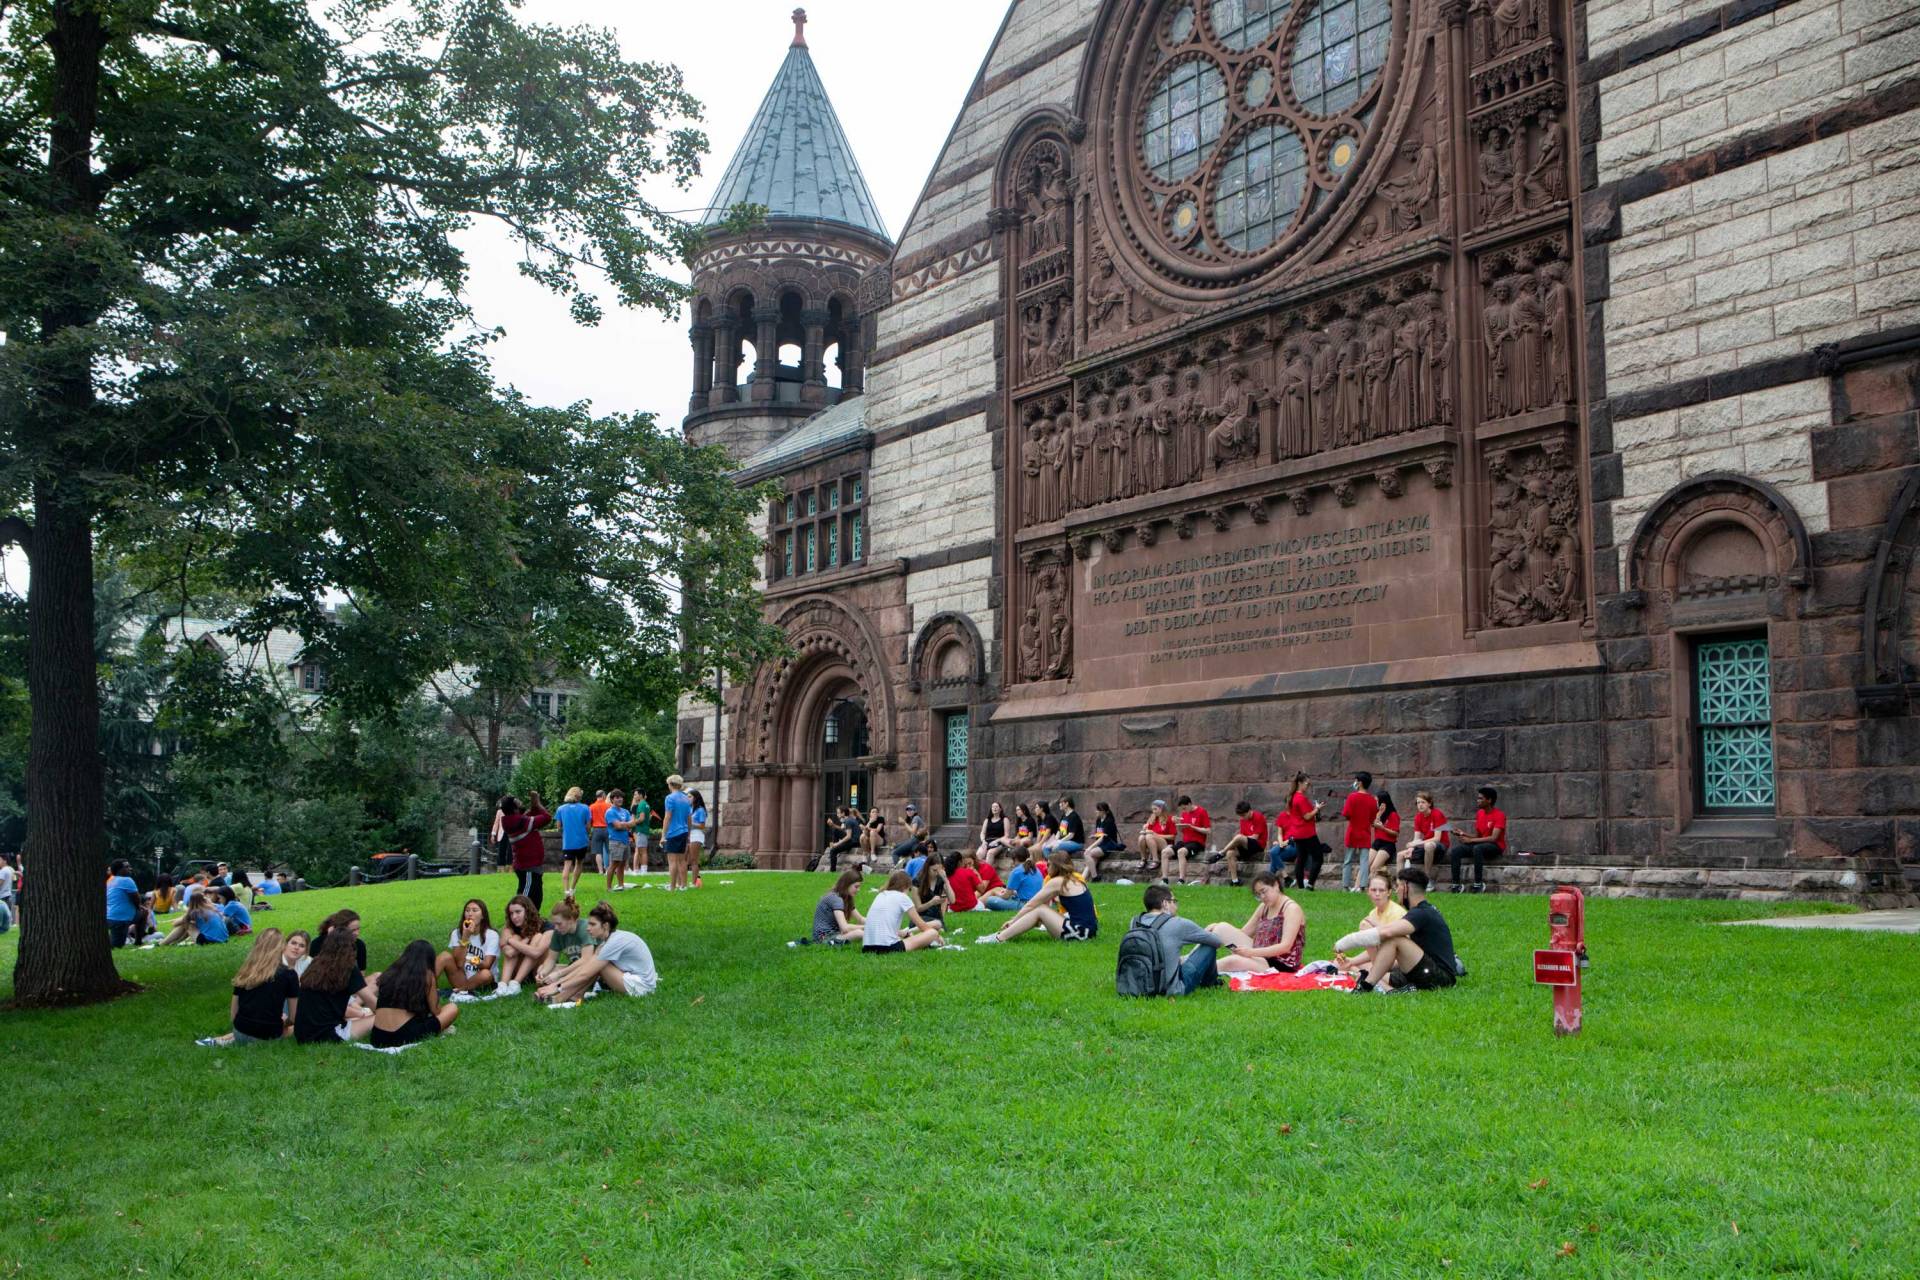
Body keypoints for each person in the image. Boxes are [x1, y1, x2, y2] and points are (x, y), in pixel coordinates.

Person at [1344, 867, 1461, 994]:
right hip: (1423, 969)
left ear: (1405, 887)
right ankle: (1390, 990)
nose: (1396, 891)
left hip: (1440, 978)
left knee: (1394, 938)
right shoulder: (1423, 910)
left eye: (1398, 886)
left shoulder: (1421, 913)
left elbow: (1389, 932)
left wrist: (1346, 942)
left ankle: (1365, 986)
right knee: (1368, 969)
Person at [536, 900, 658, 1001]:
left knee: (597, 966)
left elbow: (585, 974)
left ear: (605, 926)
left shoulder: (614, 942)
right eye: (588, 924)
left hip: (642, 987)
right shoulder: (607, 942)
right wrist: (557, 983)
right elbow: (585, 968)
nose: (588, 928)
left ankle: (563, 997)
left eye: (593, 924)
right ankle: (562, 997)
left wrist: (557, 986)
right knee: (593, 964)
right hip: (631, 979)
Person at [1125, 884, 1227, 996]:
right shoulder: (1177, 923)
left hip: (1138, 985)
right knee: (1209, 947)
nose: (1176, 906)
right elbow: (1217, 942)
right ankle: (1210, 984)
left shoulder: (1135, 922)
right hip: (1171, 989)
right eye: (1174, 901)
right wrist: (1207, 931)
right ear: (1165, 903)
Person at [976, 852, 1098, 944]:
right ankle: (1001, 935)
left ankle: (999, 938)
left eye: (1048, 864)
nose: (1046, 868)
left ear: (1056, 866)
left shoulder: (1057, 881)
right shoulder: (1074, 879)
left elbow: (1031, 904)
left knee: (1040, 909)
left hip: (1080, 932)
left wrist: (1013, 921)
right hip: (1089, 930)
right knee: (1041, 910)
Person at [1205, 872, 1306, 974]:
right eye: (1258, 894)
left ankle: (1200, 969)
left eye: (1264, 891)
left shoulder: (1291, 909)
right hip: (1259, 953)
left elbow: (1285, 947)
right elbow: (1244, 932)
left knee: (1232, 961)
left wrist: (1251, 952)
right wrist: (1216, 927)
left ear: (1276, 885)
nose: (1262, 897)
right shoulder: (1264, 907)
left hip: (1280, 963)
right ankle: (1196, 959)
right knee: (1221, 928)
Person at [370, 940, 460, 1047]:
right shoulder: (427, 975)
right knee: (452, 1008)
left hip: (377, 1037)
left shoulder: (391, 972)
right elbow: (436, 1011)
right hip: (402, 1036)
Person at [294, 928, 376, 1042]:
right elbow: (372, 1002)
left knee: (358, 1018)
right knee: (381, 1016)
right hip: (328, 1034)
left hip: (302, 1034)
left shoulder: (315, 964)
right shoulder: (348, 968)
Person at [1333, 871, 1408, 981]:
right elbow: (1374, 948)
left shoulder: (1396, 913)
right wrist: (1352, 961)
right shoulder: (1373, 913)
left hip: (1399, 961)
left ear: (1389, 892)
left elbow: (1397, 949)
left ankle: (1368, 974)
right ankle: (1362, 972)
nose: (1377, 894)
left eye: (1381, 890)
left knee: (1365, 926)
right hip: (1382, 958)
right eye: (1373, 890)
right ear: (1368, 891)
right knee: (1338, 964)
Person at [860, 871, 944, 953]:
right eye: (909, 889)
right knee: (932, 932)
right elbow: (922, 926)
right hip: (888, 947)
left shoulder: (880, 895)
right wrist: (937, 936)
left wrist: (904, 934)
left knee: (910, 934)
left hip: (867, 947)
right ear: (905, 886)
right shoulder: (903, 897)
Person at [435, 898, 499, 999]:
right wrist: (465, 937)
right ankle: (424, 987)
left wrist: (471, 959)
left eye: (475, 910)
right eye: (467, 910)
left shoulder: (492, 935)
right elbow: (459, 963)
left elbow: (487, 965)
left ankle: (455, 991)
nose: (470, 914)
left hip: (481, 981)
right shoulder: (457, 933)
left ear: (483, 916)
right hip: (462, 978)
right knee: (444, 956)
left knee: (486, 974)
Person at [1273, 772, 1327, 890]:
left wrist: (1314, 810)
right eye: (1307, 784)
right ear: (1300, 783)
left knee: (1301, 859)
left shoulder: (1293, 797)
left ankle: (1301, 887)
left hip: (1297, 834)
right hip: (1307, 833)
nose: (1308, 786)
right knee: (1318, 858)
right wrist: (1317, 809)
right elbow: (1307, 816)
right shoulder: (1300, 798)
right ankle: (1310, 885)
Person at [1451, 786, 1507, 893]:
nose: (1477, 800)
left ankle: (1478, 884)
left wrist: (1470, 841)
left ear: (1489, 800)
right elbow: (1478, 836)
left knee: (1477, 848)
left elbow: (1493, 838)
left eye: (1481, 798)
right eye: (1478, 798)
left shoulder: (1499, 815)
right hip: (1480, 844)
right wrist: (1462, 833)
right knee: (1456, 851)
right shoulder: (1480, 813)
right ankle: (1456, 885)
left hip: (1496, 846)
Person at [502, 793, 552, 908]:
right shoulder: (519, 821)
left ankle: (533, 917)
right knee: (525, 900)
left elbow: (530, 815)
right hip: (528, 867)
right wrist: (537, 803)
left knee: (536, 897)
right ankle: (517, 915)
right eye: (518, 802)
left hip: (528, 867)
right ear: (514, 808)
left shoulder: (515, 820)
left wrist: (534, 806)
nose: (521, 803)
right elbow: (546, 818)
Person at [496, 894, 547, 995]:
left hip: (539, 970)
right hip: (519, 969)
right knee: (516, 937)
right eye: (511, 913)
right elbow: (510, 952)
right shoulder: (509, 928)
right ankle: (503, 985)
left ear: (528, 911)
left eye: (518, 912)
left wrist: (510, 940)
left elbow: (536, 953)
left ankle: (515, 983)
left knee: (538, 937)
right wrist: (524, 939)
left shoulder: (545, 925)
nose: (514, 917)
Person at [537, 896, 593, 986]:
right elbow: (551, 959)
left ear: (571, 919)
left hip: (591, 968)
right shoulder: (558, 932)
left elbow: (586, 959)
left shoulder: (584, 928)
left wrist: (559, 974)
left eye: (559, 924)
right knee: (541, 969)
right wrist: (542, 973)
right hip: (574, 968)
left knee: (557, 975)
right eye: (554, 924)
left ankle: (564, 983)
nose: (556, 927)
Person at [1339, 772, 1381, 892]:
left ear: (1360, 783)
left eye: (1356, 780)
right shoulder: (1372, 800)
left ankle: (1345, 886)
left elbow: (1346, 814)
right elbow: (1372, 819)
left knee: (1348, 860)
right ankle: (1362, 886)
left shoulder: (1352, 797)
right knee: (1364, 862)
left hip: (1352, 832)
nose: (1355, 783)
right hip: (1365, 833)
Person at [803, 869, 866, 945]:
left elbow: (860, 918)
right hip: (824, 937)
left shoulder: (846, 898)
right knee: (859, 933)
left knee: (861, 932)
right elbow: (845, 928)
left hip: (836, 933)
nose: (858, 890)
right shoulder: (835, 899)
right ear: (847, 884)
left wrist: (875, 924)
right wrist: (865, 927)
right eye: (856, 887)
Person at [1211, 801, 1266, 887]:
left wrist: (1240, 838)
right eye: (1241, 816)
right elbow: (1243, 836)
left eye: (1244, 815)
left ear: (1249, 811)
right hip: (1246, 845)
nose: (1242, 818)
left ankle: (1221, 853)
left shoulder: (1258, 817)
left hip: (1258, 845)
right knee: (1230, 853)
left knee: (1239, 837)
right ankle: (1235, 881)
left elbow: (1255, 837)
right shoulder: (1242, 820)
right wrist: (1237, 843)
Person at [555, 786, 593, 900]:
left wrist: (566, 832)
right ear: (579, 795)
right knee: (579, 863)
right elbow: (588, 826)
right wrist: (586, 833)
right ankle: (572, 888)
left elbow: (558, 827)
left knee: (567, 865)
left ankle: (566, 891)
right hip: (581, 841)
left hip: (568, 842)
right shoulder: (585, 808)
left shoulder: (561, 809)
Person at [1405, 790, 1451, 880]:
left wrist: (1417, 843)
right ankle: (1400, 883)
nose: (1420, 805)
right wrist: (1411, 848)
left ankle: (1427, 878)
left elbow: (1437, 838)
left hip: (1441, 845)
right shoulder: (1418, 817)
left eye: (1423, 802)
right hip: (1426, 844)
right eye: (1418, 803)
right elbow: (1416, 838)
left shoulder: (1437, 814)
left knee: (1428, 845)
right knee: (1401, 855)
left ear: (1429, 803)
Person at [661, 774, 693, 891]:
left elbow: (667, 817)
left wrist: (663, 835)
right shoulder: (686, 798)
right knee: (682, 860)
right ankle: (683, 885)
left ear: (671, 784)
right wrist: (688, 832)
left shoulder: (669, 798)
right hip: (684, 831)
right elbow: (689, 817)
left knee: (672, 861)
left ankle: (672, 886)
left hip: (673, 832)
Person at [1367, 789, 1403, 884]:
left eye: (1376, 801)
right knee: (1365, 865)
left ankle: (1369, 887)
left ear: (1383, 802)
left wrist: (1383, 828)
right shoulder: (1377, 813)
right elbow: (1373, 824)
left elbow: (1396, 833)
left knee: (1374, 867)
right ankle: (1357, 887)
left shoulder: (1393, 815)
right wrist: (1379, 813)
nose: (1375, 803)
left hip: (1388, 844)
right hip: (1377, 842)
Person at [1173, 795, 1211, 885]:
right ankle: (1164, 880)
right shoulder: (1184, 814)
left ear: (1190, 804)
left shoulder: (1201, 811)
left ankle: (1181, 880)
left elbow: (1208, 831)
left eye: (1184, 808)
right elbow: (1183, 831)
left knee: (1181, 852)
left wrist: (1192, 827)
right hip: (1185, 842)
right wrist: (1178, 824)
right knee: (1165, 852)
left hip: (1197, 843)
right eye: (1182, 809)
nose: (1184, 811)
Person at [105, 859, 141, 948]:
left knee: (144, 912)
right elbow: (136, 899)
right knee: (117, 946)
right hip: (120, 919)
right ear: (119, 870)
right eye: (127, 867)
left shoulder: (110, 880)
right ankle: (138, 940)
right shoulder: (127, 880)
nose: (130, 868)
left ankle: (138, 941)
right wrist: (138, 907)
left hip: (108, 916)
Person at [604, 789, 634, 892]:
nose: (620, 799)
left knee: (622, 864)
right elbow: (617, 826)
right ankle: (609, 887)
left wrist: (623, 824)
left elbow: (632, 824)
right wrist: (626, 824)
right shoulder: (610, 812)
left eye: (621, 797)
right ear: (612, 799)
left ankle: (621, 885)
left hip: (625, 840)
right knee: (614, 864)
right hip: (615, 841)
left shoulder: (625, 811)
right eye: (617, 797)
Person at [1137, 800, 1176, 879]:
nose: (1153, 811)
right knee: (1141, 837)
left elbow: (1173, 836)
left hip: (1166, 844)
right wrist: (1144, 829)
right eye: (1152, 809)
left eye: (1155, 809)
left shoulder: (1170, 819)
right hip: (1152, 842)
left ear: (1162, 809)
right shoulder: (1153, 819)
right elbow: (1148, 831)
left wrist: (1156, 835)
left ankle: (1156, 860)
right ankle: (1143, 859)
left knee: (1149, 836)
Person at [911, 855, 954, 925]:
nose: (937, 873)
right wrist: (931, 902)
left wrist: (946, 881)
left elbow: (952, 900)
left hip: (937, 919)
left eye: (939, 871)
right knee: (937, 926)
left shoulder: (941, 880)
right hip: (921, 918)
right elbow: (918, 908)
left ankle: (909, 930)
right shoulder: (917, 882)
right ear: (927, 868)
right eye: (934, 870)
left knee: (938, 926)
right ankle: (909, 930)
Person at [1043, 796, 1086, 865]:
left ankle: (1054, 865)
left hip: (1076, 842)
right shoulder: (1064, 815)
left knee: (1056, 847)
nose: (1059, 805)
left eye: (1061, 803)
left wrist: (1059, 842)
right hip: (1064, 841)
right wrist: (1054, 840)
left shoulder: (1074, 816)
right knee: (1045, 846)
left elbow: (1071, 835)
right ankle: (1051, 864)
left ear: (1067, 804)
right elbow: (1059, 831)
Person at [890, 803, 929, 869]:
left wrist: (904, 823)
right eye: (907, 810)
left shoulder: (916, 818)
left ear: (915, 811)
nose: (909, 811)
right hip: (914, 841)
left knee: (895, 853)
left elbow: (913, 831)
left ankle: (900, 869)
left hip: (915, 840)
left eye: (911, 810)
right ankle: (904, 864)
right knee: (895, 846)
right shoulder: (913, 819)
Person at [821, 806, 860, 871]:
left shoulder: (848, 821)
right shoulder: (849, 820)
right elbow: (842, 830)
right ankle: (834, 847)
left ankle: (832, 871)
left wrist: (837, 844)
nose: (837, 814)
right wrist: (832, 825)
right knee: (836, 830)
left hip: (854, 842)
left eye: (838, 813)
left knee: (833, 851)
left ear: (843, 813)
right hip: (852, 840)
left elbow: (848, 836)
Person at [631, 788, 658, 876]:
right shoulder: (646, 804)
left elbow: (641, 818)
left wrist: (632, 823)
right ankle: (642, 870)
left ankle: (643, 871)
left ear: (640, 795)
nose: (634, 796)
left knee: (642, 851)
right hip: (644, 830)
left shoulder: (641, 805)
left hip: (641, 830)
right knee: (642, 850)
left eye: (636, 794)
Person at [687, 789, 709, 888]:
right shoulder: (690, 808)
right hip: (689, 834)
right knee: (687, 859)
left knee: (693, 860)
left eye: (690, 797)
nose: (688, 799)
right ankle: (694, 880)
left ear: (695, 798)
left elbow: (702, 826)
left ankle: (694, 882)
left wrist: (691, 823)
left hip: (696, 835)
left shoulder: (700, 810)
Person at [588, 789, 612, 879]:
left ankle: (600, 871)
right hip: (607, 829)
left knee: (598, 851)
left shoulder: (591, 807)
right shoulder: (608, 806)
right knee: (609, 850)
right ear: (603, 796)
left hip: (596, 829)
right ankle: (609, 870)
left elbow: (589, 820)